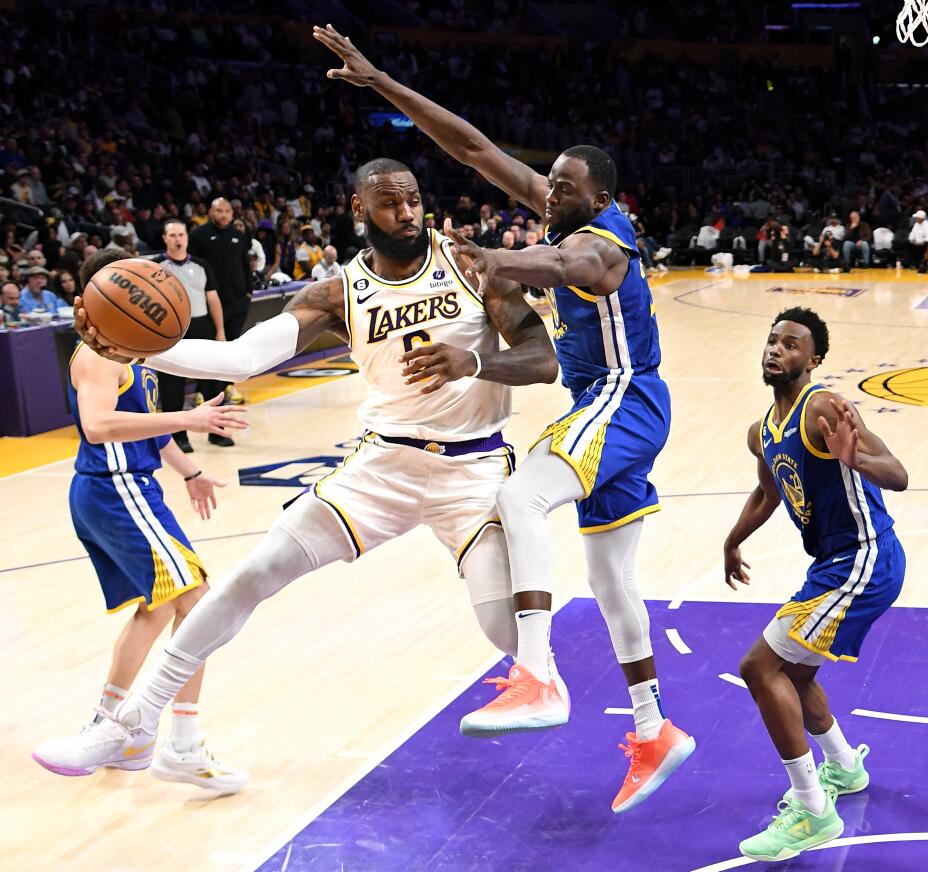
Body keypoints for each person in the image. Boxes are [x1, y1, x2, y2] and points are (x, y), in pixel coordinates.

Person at [33, 158, 561, 791]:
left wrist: (471, 361)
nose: (408, 213)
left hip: (472, 468)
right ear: (360, 211)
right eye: (391, 203)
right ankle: (136, 723)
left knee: (504, 629)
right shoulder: (336, 292)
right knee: (253, 573)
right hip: (381, 466)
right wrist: (136, 345)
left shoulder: (472, 266)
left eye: (415, 200)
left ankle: (608, 699)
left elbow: (542, 359)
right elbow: (241, 358)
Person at [313, 25, 696, 813]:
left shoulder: (603, 245)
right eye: (548, 183)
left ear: (602, 198)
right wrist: (381, 80)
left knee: (518, 498)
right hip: (613, 409)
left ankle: (536, 673)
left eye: (563, 188)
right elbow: (476, 151)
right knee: (610, 577)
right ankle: (655, 729)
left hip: (624, 397)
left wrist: (490, 260)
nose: (547, 194)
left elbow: (565, 267)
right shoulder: (562, 214)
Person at [32, 249, 249, 791]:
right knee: (198, 604)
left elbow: (147, 430)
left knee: (157, 611)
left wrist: (190, 470)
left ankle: (113, 728)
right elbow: (101, 424)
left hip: (128, 488)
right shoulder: (98, 356)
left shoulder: (133, 352)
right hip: (115, 490)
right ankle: (179, 744)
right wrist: (191, 417)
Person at [724, 307, 908, 861]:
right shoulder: (763, 432)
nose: (776, 349)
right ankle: (845, 768)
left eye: (791, 343)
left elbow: (898, 473)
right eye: (772, 339)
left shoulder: (824, 407)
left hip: (865, 558)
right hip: (830, 563)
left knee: (760, 667)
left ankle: (812, 809)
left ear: (814, 359)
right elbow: (769, 494)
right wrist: (733, 540)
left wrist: (857, 459)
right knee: (795, 675)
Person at [150, 219, 228, 451]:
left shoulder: (202, 265)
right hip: (170, 331)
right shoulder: (156, 267)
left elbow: (212, 298)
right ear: (165, 238)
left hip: (201, 326)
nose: (177, 239)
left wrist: (220, 331)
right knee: (172, 386)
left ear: (187, 237)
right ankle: (178, 436)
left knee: (211, 382)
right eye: (172, 235)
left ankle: (218, 431)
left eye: (181, 234)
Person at [189, 198, 254, 405]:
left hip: (238, 301)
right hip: (211, 303)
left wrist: (249, 292)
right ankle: (203, 390)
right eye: (219, 211)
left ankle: (228, 386)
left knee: (232, 346)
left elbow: (246, 265)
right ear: (211, 212)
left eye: (227, 211)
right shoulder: (198, 236)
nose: (223, 215)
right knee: (210, 349)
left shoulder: (239, 236)